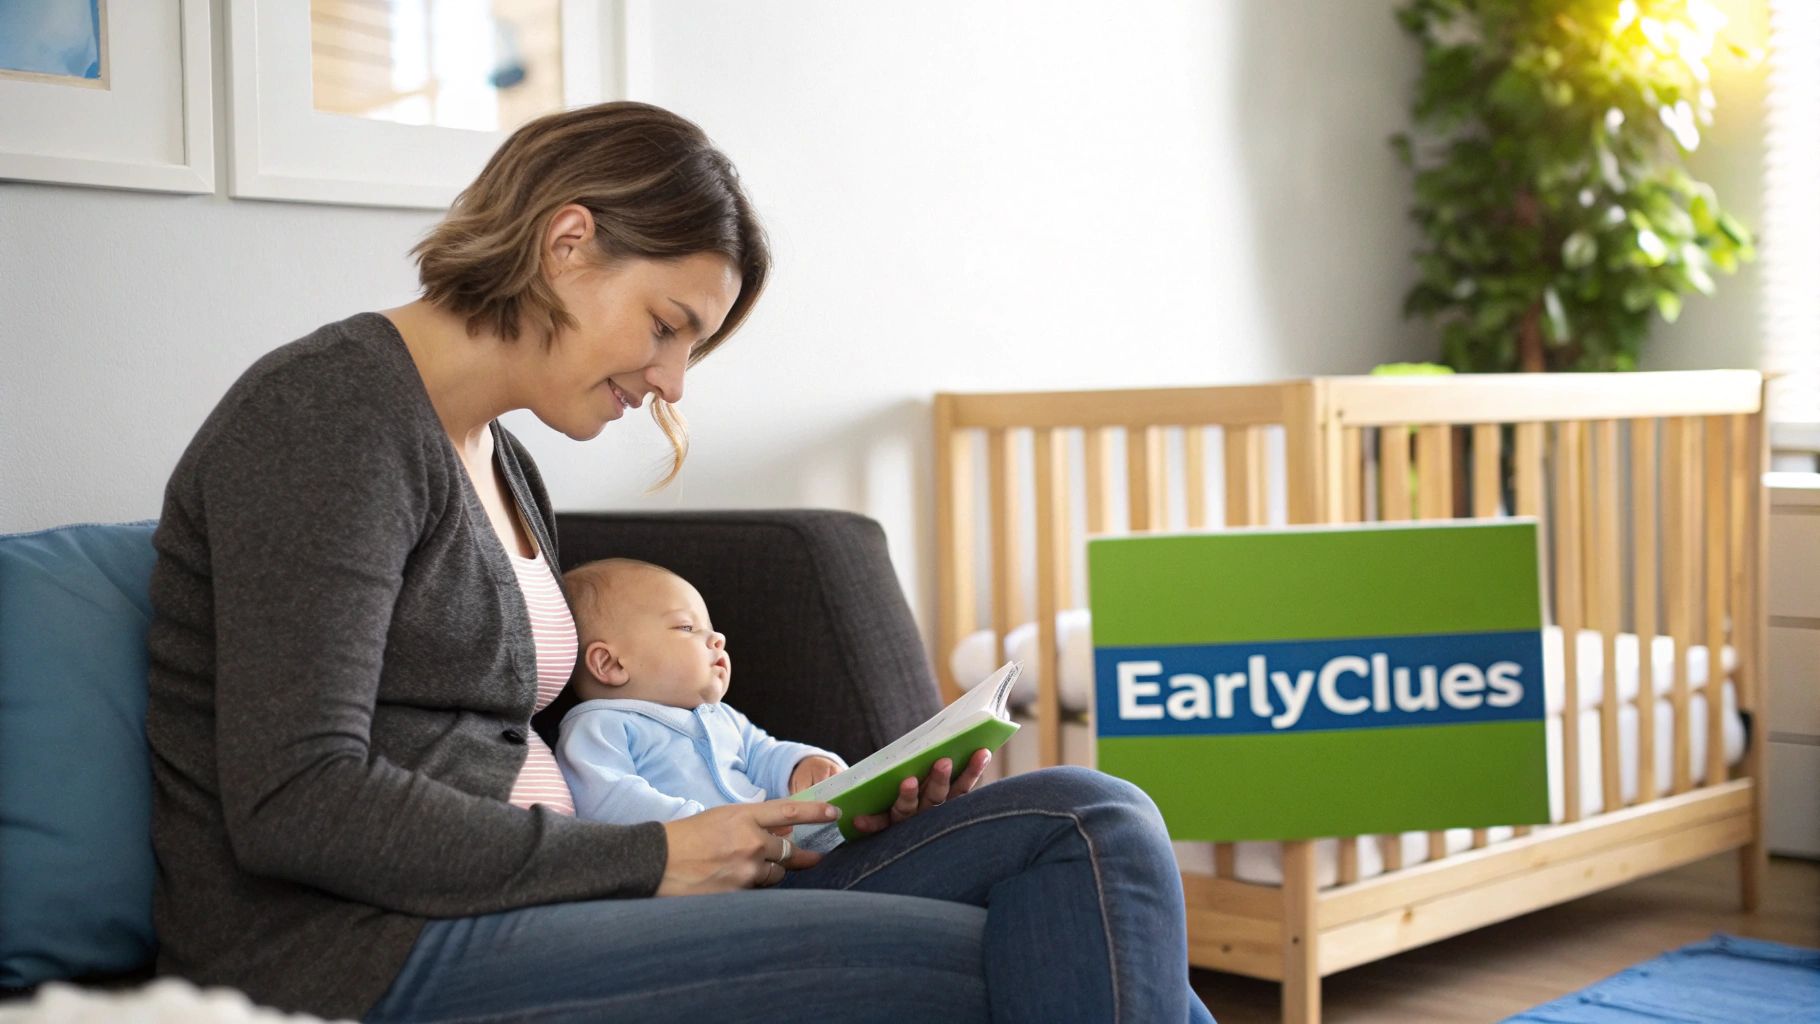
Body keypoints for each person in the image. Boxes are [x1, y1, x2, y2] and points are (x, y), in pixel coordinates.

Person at [144, 100, 1217, 1024]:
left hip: (543, 897)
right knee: (1024, 950)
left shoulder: (502, 459)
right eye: (666, 325)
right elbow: (297, 797)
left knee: (1088, 815)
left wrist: (835, 806)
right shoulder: (329, 415)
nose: (671, 382)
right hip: (360, 952)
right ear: (566, 242)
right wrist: (654, 860)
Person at [555, 557, 849, 824]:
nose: (717, 638)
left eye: (710, 627)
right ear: (611, 664)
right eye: (686, 627)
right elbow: (610, 801)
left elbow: (764, 754)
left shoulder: (720, 716)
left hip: (776, 849)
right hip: (705, 865)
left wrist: (802, 766)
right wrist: (705, 828)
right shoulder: (599, 727)